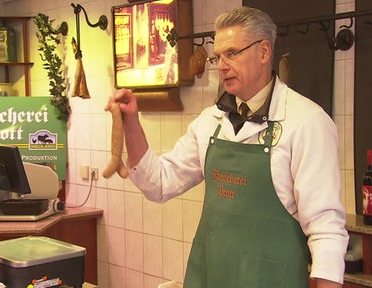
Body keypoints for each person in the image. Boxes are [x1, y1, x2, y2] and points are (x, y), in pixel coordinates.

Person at [106, 6, 349, 288]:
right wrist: (132, 122)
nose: (221, 65)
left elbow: (326, 227)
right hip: (209, 276)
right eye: (217, 56)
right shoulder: (210, 122)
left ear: (264, 52)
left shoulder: (307, 122)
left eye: (232, 53)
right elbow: (159, 183)